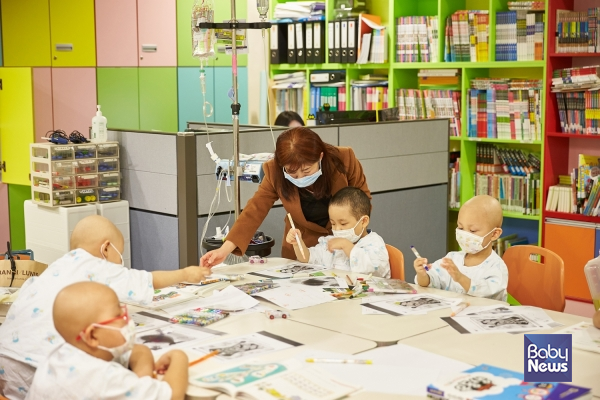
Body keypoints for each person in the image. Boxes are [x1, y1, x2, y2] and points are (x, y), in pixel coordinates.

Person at [0, 215, 209, 399]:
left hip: (9, 365)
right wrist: (185, 274)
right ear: (106, 248)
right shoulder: (97, 265)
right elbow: (146, 279)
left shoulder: (61, 265)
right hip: (31, 366)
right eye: (120, 255)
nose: (120, 262)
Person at [200, 127, 370, 265]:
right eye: (292, 173)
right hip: (301, 247)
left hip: (346, 244)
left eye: (307, 170)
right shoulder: (274, 171)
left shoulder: (344, 159)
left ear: (320, 157)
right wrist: (224, 250)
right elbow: (254, 211)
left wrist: (349, 238)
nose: (301, 178)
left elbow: (363, 203)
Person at [26, 282, 188, 400]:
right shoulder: (101, 378)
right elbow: (173, 395)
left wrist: (142, 382)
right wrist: (179, 357)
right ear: (92, 336)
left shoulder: (60, 355)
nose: (128, 319)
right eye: (119, 316)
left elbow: (138, 351)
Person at [413, 195, 508, 301]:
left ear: (494, 234)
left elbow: (487, 291)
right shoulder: (452, 258)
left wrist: (461, 278)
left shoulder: (496, 267)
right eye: (461, 228)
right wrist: (422, 275)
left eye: (473, 230)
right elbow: (431, 282)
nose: (464, 235)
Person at [286, 187, 389, 277]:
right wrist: (297, 243)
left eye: (343, 224)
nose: (337, 229)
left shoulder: (374, 243)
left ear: (363, 221)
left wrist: (347, 246)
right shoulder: (332, 242)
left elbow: (376, 271)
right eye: (333, 224)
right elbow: (307, 258)